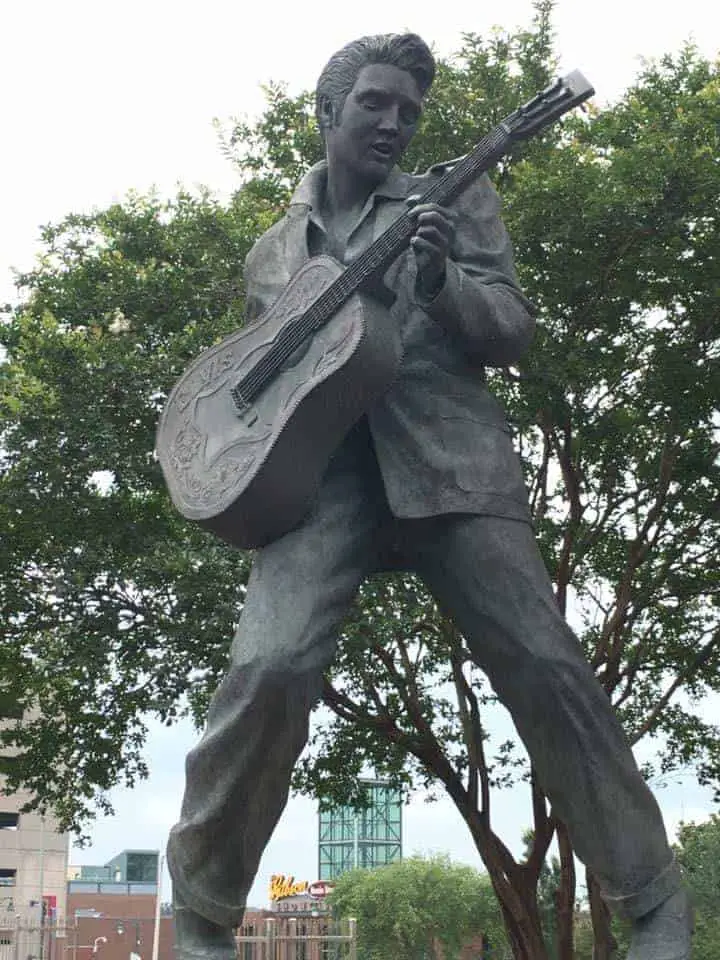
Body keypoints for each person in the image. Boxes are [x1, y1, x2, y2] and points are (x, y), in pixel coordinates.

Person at [167, 33, 692, 960]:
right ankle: (204, 912)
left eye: (408, 110)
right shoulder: (273, 249)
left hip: (449, 465)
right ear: (328, 110)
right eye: (375, 102)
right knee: (268, 671)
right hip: (317, 479)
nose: (393, 121)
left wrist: (446, 281)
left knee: (546, 663)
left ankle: (651, 899)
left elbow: (510, 328)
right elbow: (255, 370)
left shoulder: (453, 196)